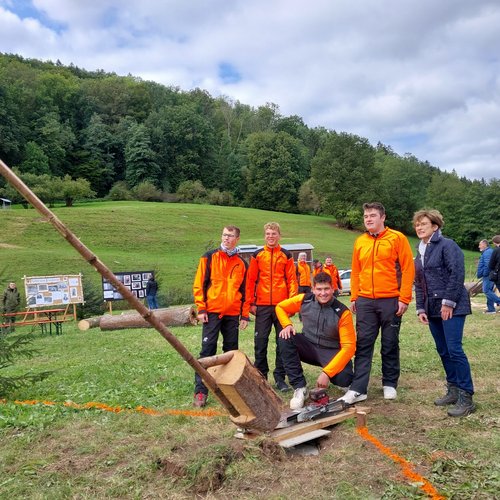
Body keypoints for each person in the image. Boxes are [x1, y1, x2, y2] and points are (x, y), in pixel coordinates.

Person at [340, 202, 415, 404]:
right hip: (365, 301)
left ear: (383, 217)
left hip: (390, 299)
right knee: (363, 344)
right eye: (366, 216)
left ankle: (389, 383)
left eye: (373, 215)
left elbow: (408, 269)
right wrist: (354, 297)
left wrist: (404, 298)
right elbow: (355, 271)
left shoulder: (397, 238)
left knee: (390, 343)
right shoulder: (360, 242)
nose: (368, 219)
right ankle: (359, 388)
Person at [413, 209, 475, 416]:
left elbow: (457, 274)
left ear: (435, 226)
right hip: (432, 309)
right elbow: (419, 283)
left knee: (454, 349)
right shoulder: (420, 251)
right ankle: (453, 389)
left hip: (453, 305)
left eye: (423, 223)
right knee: (443, 350)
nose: (419, 227)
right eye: (417, 224)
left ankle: (466, 396)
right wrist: (421, 307)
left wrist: (448, 303)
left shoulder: (447, 245)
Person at [276, 272, 356, 409]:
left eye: (326, 289)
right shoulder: (304, 300)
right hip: (309, 346)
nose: (323, 293)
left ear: (332, 288)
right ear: (313, 289)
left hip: (331, 352)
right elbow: (280, 307)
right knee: (285, 336)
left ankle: (338, 378)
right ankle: (299, 388)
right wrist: (287, 325)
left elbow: (349, 347)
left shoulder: (342, 312)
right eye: (319, 289)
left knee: (345, 379)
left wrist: (327, 373)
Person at [192, 225, 248, 407]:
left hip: (232, 313)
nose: (226, 238)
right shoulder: (209, 257)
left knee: (231, 352)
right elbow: (199, 284)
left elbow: (245, 291)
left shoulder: (242, 264)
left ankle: (230, 389)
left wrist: (244, 315)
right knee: (207, 350)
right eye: (224, 235)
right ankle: (201, 391)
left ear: (237, 239)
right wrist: (201, 309)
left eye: (230, 236)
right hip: (212, 312)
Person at [244, 222, 298, 392]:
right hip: (262, 306)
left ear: (279, 235)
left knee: (283, 342)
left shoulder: (286, 255)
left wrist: (291, 304)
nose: (270, 236)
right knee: (260, 341)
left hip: (281, 306)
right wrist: (250, 303)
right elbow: (250, 280)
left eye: (273, 233)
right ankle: (261, 376)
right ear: (264, 235)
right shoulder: (257, 254)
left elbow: (292, 280)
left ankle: (280, 377)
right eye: (268, 233)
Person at [477, 239, 500, 314]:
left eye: (480, 244)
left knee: (486, 290)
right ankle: (491, 309)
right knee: (489, 290)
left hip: (488, 275)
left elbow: (488, 265)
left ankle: (498, 302)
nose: (479, 246)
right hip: (487, 274)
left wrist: (484, 274)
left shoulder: (487, 252)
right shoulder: (487, 252)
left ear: (484, 244)